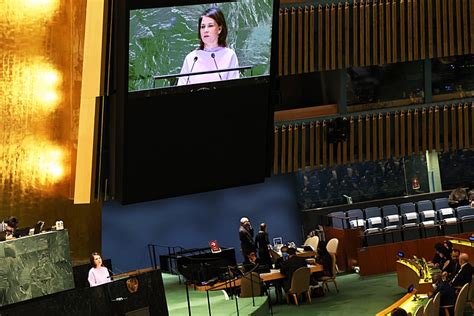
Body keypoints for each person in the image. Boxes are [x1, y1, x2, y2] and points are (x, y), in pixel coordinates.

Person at [177, 7, 239, 86]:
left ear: (219, 29)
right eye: (202, 26)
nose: (205, 30)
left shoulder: (230, 55)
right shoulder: (191, 58)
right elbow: (181, 87)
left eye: (210, 26)